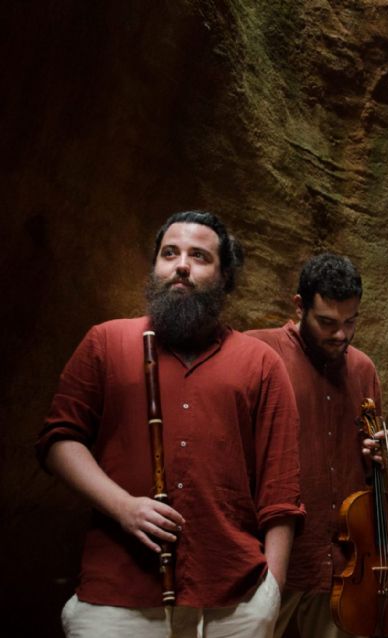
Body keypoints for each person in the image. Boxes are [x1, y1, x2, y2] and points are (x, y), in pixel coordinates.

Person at [37, 211, 304, 638]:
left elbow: (281, 488)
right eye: (170, 253)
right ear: (155, 266)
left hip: (235, 600)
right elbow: (59, 441)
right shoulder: (105, 342)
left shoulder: (261, 363)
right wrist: (124, 507)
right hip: (117, 595)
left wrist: (270, 593)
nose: (182, 265)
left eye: (199, 256)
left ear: (225, 276)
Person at [246, 253, 381, 638]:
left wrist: (374, 455)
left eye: (350, 322)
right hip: (271, 558)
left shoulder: (363, 369)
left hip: (343, 564)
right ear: (299, 306)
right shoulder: (257, 352)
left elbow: (370, 470)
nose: (341, 335)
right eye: (327, 322)